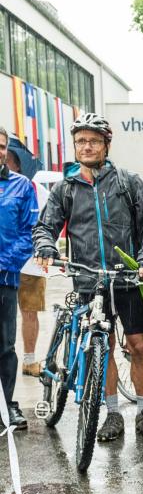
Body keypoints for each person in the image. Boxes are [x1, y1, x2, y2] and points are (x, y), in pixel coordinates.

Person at [33, 113, 143, 440]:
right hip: (89, 281)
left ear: (106, 145)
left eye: (94, 141)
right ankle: (112, 413)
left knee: (138, 345)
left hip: (128, 278)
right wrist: (46, 245)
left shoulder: (127, 182)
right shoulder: (65, 188)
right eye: (81, 141)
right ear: (75, 146)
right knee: (101, 348)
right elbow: (45, 227)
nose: (87, 146)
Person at [0, 126, 38, 429]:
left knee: (4, 345)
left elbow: (30, 233)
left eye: (1, 146)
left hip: (6, 278)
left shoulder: (22, 186)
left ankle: (7, 405)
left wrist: (5, 263)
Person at [5, 148, 49, 378]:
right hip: (4, 263)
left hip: (31, 263)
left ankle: (29, 360)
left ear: (19, 165)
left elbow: (48, 223)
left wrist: (48, 251)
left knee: (29, 311)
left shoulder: (37, 190)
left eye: (9, 161)